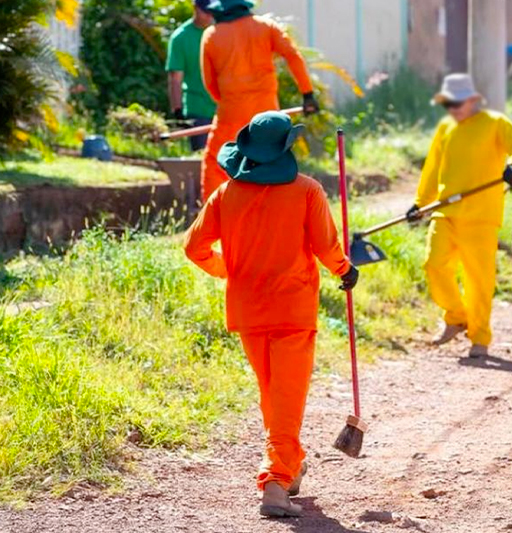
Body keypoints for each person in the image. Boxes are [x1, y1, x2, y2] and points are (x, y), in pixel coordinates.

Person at [184, 111, 358, 518]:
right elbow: (326, 247)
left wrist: (230, 269)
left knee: (274, 398)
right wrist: (345, 269)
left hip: (247, 311)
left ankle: (290, 464)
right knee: (286, 400)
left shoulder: (226, 194)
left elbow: (194, 248)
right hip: (292, 312)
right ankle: (275, 484)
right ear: (285, 148)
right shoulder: (307, 191)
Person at [408, 73, 512, 358]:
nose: (453, 109)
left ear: (473, 100)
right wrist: (420, 203)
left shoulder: (495, 123)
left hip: (481, 215)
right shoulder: (445, 127)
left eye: (458, 102)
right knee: (433, 264)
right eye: (448, 104)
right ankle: (457, 316)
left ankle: (480, 338)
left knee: (479, 280)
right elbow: (432, 167)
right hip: (445, 210)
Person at [200, 0, 320, 201]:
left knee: (216, 164)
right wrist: (307, 94)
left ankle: (217, 220)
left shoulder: (212, 35)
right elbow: (293, 56)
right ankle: (275, 212)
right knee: (271, 162)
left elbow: (209, 83)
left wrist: (231, 101)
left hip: (230, 114)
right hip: (267, 117)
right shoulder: (266, 27)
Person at [165, 0, 216, 151]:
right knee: (203, 159)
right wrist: (177, 110)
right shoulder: (181, 37)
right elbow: (175, 78)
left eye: (212, 12)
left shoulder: (220, 31)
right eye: (205, 12)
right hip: (198, 109)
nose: (209, 16)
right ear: (195, 8)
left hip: (225, 109)